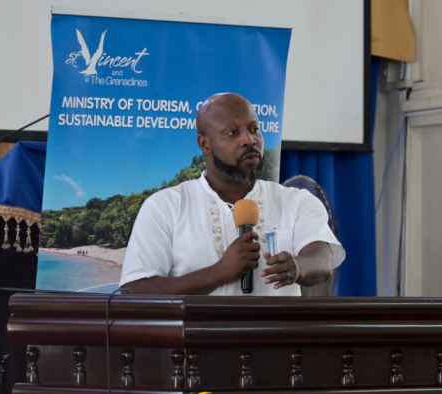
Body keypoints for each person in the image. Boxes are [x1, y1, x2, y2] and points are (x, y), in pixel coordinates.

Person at [119, 93, 345, 296]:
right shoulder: (164, 206)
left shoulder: (297, 201)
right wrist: (219, 272)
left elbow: (322, 259)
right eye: (232, 132)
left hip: (273, 331)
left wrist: (298, 266)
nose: (249, 140)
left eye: (254, 129)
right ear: (205, 144)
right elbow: (134, 290)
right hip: (196, 332)